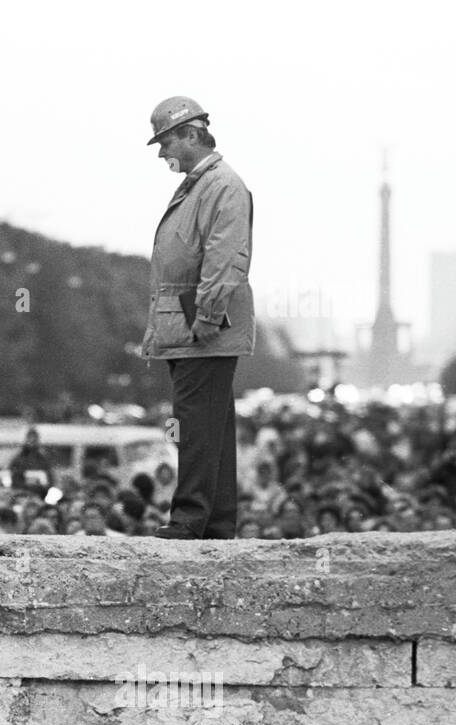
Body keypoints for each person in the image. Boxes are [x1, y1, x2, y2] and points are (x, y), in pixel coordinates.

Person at [141, 97, 255, 539]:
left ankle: (190, 520)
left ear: (191, 133)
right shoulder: (206, 184)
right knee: (213, 428)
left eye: (166, 140)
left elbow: (225, 257)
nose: (161, 151)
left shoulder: (219, 185)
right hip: (190, 323)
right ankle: (216, 522)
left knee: (196, 427)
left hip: (199, 327)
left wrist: (206, 318)